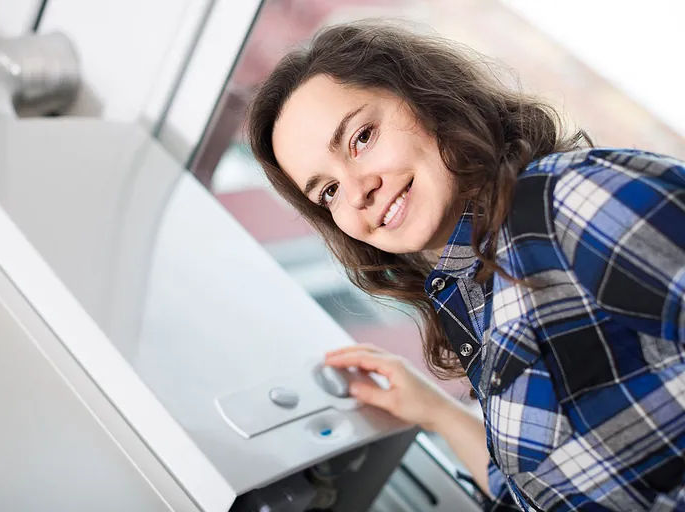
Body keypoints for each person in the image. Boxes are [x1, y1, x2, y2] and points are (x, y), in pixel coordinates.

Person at [245, 21, 685, 511]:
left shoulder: (570, 202)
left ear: (429, 99)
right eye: (327, 192)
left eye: (361, 137)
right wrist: (433, 411)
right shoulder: (473, 291)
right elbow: (539, 492)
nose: (357, 190)